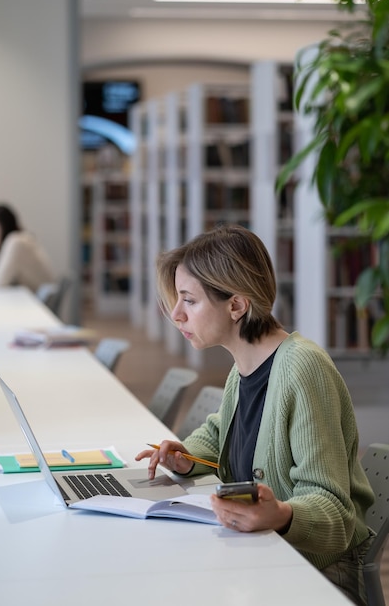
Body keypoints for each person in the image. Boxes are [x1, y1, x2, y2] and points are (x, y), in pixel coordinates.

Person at [136, 223, 375, 606]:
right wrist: (185, 456)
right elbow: (223, 433)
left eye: (189, 301)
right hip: (264, 559)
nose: (177, 315)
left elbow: (334, 512)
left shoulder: (302, 369)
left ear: (236, 305)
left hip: (319, 575)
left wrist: (280, 514)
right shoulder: (244, 366)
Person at [0, 204, 55, 292]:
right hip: (36, 298)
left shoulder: (16, 241)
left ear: (2, 226)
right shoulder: (21, 238)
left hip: (37, 301)